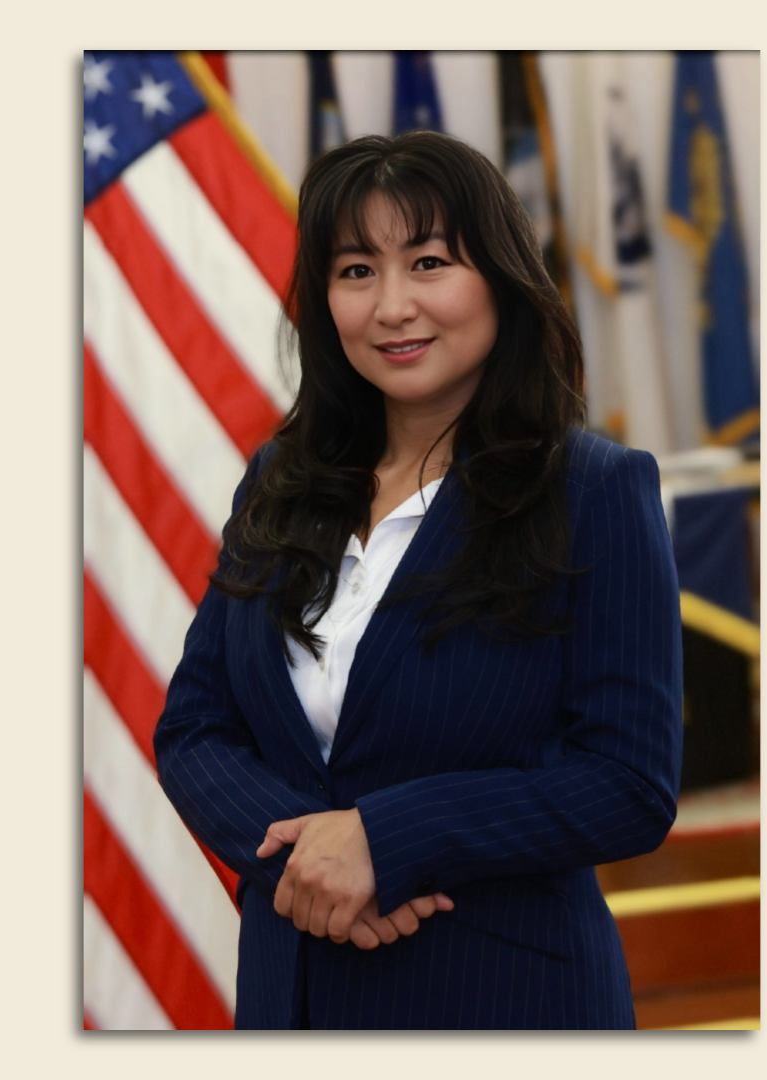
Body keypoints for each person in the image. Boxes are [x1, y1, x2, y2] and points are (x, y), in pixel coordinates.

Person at [153, 130, 683, 1030]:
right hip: (296, 998)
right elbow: (196, 726)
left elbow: (628, 782)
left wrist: (387, 841)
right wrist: (308, 861)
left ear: (502, 278)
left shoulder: (593, 489)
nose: (392, 305)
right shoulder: (282, 480)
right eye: (356, 271)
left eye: (429, 261)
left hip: (501, 1002)